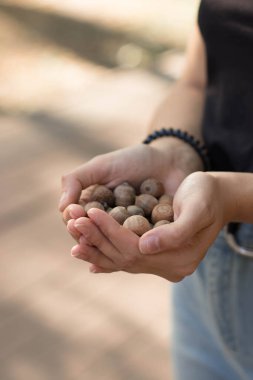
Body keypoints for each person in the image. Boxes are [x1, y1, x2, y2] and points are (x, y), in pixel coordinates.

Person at [59, 0, 253, 379]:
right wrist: (171, 149)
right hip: (202, 242)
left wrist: (233, 196)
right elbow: (197, 81)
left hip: (209, 207)